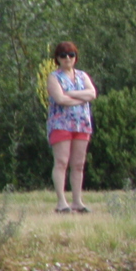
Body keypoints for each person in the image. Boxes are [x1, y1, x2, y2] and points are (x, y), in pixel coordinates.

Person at [44, 40, 96, 213]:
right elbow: (60, 99)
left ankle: (77, 201)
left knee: (79, 164)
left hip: (82, 124)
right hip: (61, 124)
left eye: (71, 55)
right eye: (63, 55)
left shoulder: (82, 76)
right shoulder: (54, 77)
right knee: (61, 162)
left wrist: (71, 94)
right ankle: (61, 202)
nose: (67, 58)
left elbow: (92, 93)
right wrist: (81, 98)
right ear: (57, 58)